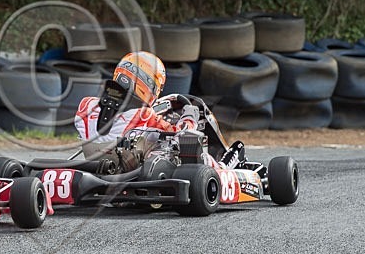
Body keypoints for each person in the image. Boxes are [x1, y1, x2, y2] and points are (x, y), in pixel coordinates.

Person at [74, 51, 244, 170]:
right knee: (185, 148)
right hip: (128, 169)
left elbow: (110, 129)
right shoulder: (145, 115)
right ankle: (222, 168)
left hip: (95, 164)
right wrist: (189, 117)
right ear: (144, 83)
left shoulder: (85, 105)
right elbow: (182, 135)